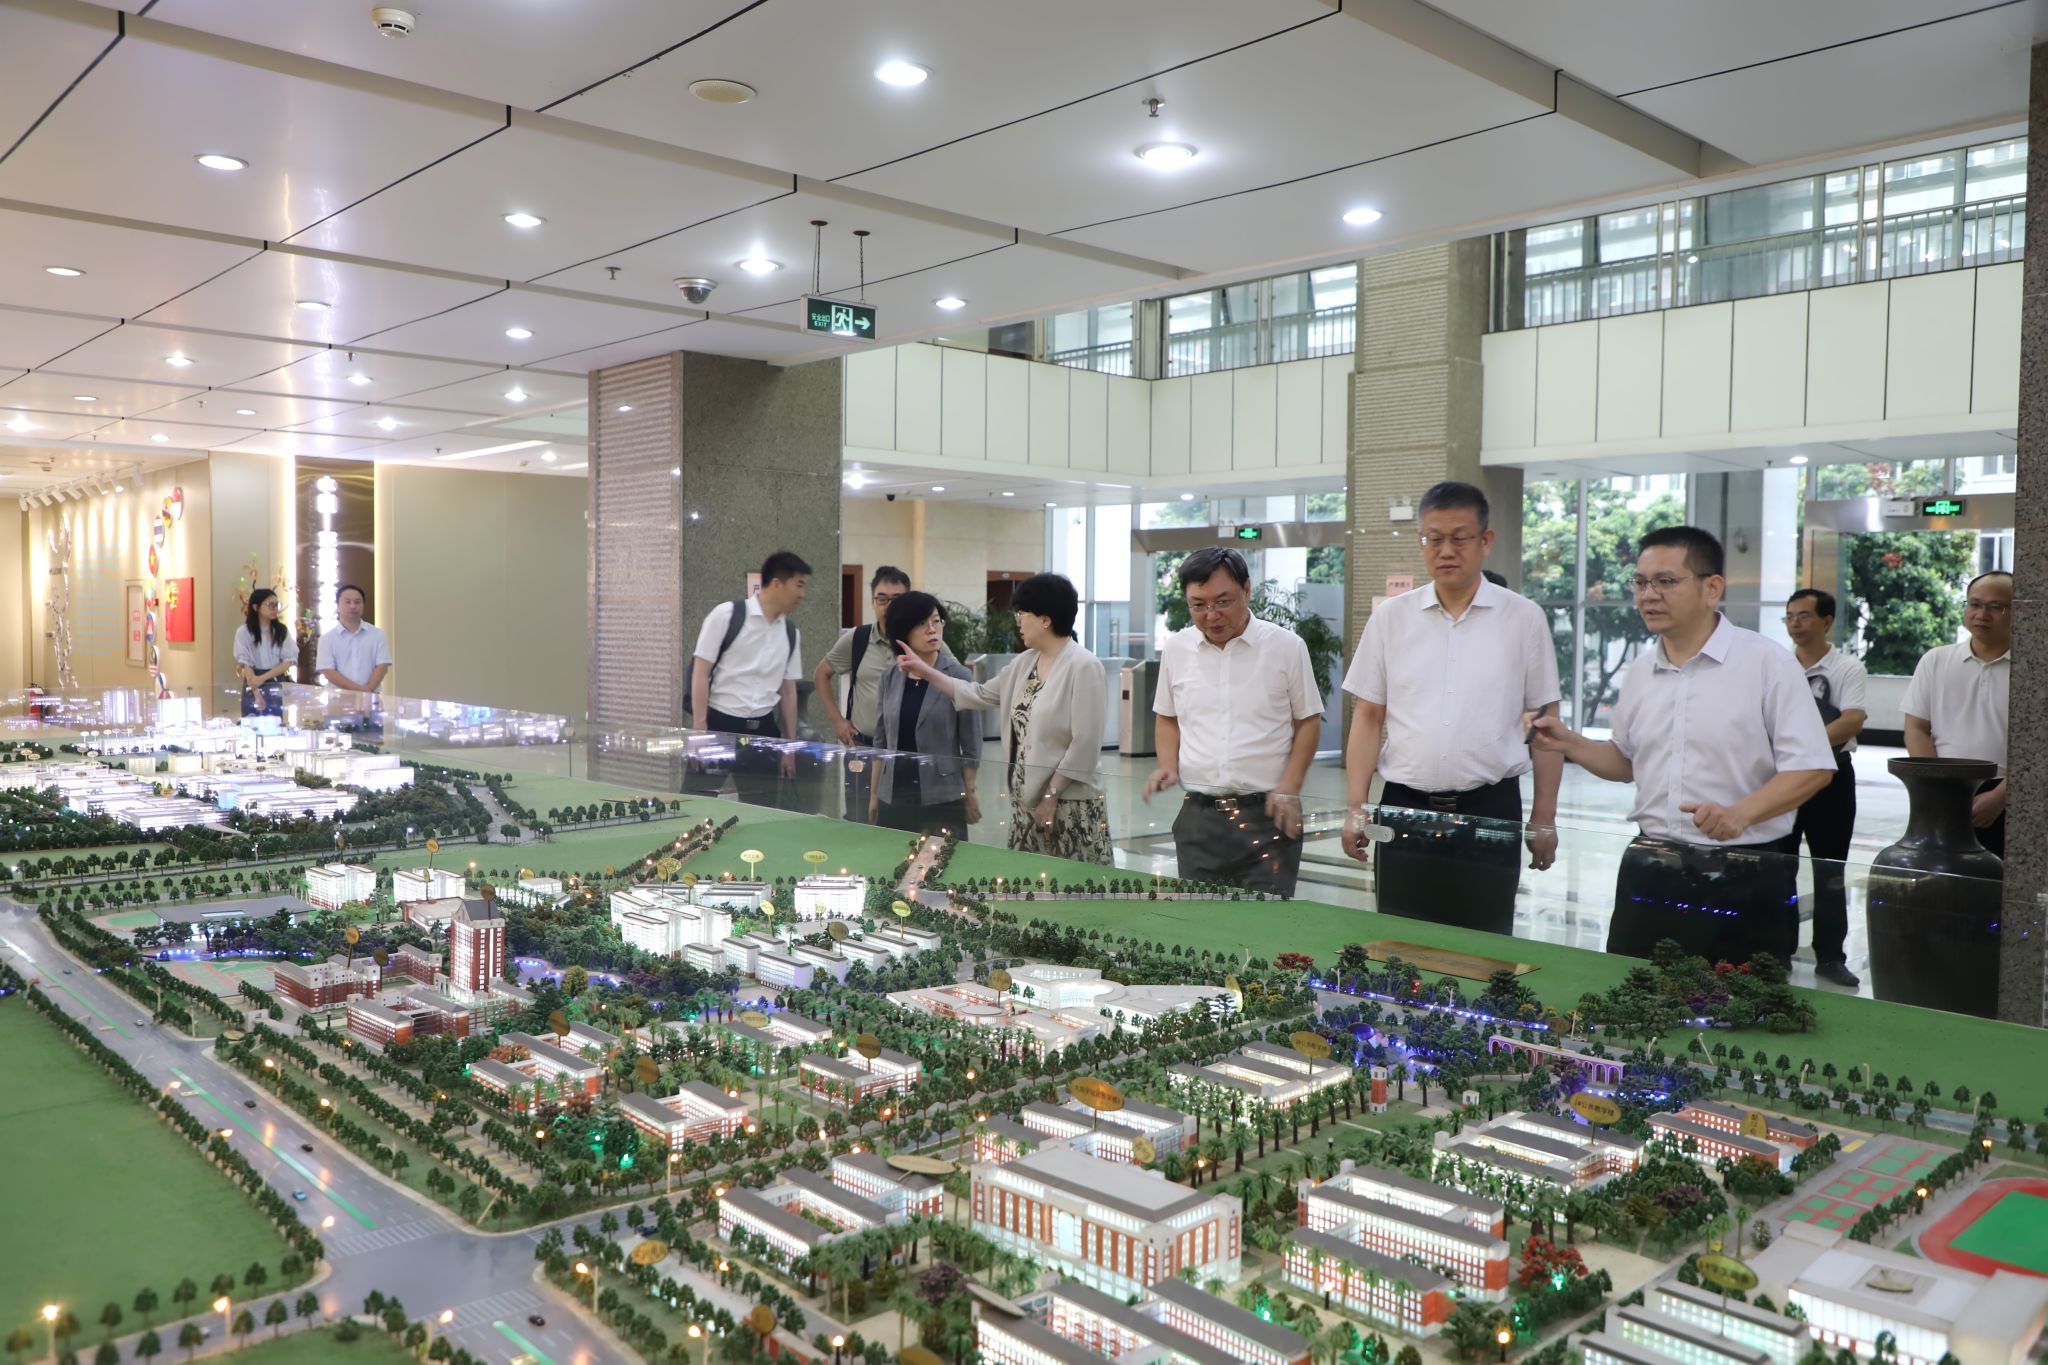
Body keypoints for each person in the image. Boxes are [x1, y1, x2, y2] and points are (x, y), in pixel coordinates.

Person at [1532, 526, 1835, 965]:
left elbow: (1813, 767)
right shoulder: (1641, 670)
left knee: (1742, 1000)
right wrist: (1568, 742)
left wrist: (1740, 815)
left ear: (1712, 588)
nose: (1648, 595)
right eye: (1640, 582)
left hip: (1745, 872)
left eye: (1666, 581)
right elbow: (1626, 762)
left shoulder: (1767, 663)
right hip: (1652, 866)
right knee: (1633, 994)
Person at [1339, 481, 1563, 933]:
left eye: (1459, 538)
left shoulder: (1523, 618)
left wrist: (1544, 817)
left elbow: (1546, 724)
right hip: (1405, 807)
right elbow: (1368, 716)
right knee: (1401, 943)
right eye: (1433, 538)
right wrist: (1356, 807)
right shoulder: (1391, 618)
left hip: (1491, 808)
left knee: (1486, 943)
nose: (1445, 550)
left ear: (1485, 541)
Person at [893, 572, 1109, 863]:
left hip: (1069, 802)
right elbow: (979, 694)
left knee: (1073, 882)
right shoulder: (1025, 662)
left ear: (1045, 620)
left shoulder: (1084, 665)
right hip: (1027, 797)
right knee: (1028, 880)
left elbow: (1085, 744)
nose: (1017, 621)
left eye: (1022, 614)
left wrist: (1052, 794)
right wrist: (926, 671)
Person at [1143, 547, 1323, 896]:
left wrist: (1289, 787)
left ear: (1247, 590)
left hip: (1268, 815)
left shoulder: (1286, 647)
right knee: (1200, 921)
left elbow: (1308, 721)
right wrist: (1166, 765)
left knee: (1263, 920)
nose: (1211, 615)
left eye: (1223, 602)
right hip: (1200, 818)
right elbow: (1167, 717)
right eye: (1198, 605)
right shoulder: (1178, 649)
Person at [1783, 588, 1868, 987]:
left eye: (1804, 616)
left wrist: (1802, 744)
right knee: (1778, 865)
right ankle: (1775, 950)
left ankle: (1831, 957)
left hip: (1832, 776)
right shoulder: (1777, 665)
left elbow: (1851, 721)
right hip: (1782, 776)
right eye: (1789, 616)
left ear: (1827, 621)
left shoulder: (1846, 667)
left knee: (1830, 868)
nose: (1795, 624)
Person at [1902, 569, 2011, 857]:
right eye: (1974, 604)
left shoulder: (2036, 666)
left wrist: (2002, 796)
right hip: (1943, 789)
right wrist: (1936, 788)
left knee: (2009, 878)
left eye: (1995, 607)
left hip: (2009, 791)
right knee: (1943, 875)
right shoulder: (1936, 660)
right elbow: (1916, 727)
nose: (1981, 615)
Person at [690, 551, 809, 809]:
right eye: (798, 585)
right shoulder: (726, 615)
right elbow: (701, 672)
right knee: (696, 806)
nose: (802, 594)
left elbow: (788, 691)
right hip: (718, 727)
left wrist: (788, 747)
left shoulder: (791, 633)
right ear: (776, 583)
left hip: (763, 730)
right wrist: (700, 731)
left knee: (761, 809)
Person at [870, 591, 981, 838]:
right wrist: (874, 794)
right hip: (894, 793)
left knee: (941, 860)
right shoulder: (890, 677)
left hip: (943, 796)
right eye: (922, 623)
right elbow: (880, 742)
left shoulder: (958, 676)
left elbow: (971, 745)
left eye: (936, 621)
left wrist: (970, 793)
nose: (932, 629)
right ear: (904, 631)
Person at [816, 567, 913, 748]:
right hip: (863, 746)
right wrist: (837, 721)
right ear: (873, 602)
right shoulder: (857, 638)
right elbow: (821, 674)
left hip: (909, 749)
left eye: (897, 600)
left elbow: (957, 677)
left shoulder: (921, 640)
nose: (889, 606)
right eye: (882, 599)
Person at [314, 584, 390, 693]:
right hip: (339, 698)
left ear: (363, 605)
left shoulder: (377, 634)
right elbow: (328, 671)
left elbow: (382, 666)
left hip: (372, 697)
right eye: (348, 602)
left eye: (357, 602)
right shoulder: (327, 639)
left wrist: (368, 690)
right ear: (337, 605)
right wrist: (359, 690)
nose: (353, 606)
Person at [234, 588, 296, 717]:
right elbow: (246, 665)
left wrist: (262, 678)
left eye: (276, 605)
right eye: (270, 605)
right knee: (251, 721)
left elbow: (288, 661)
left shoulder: (281, 631)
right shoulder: (244, 632)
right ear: (256, 607)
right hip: (253, 683)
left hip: (275, 680)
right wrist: (257, 694)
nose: (275, 609)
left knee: (276, 721)